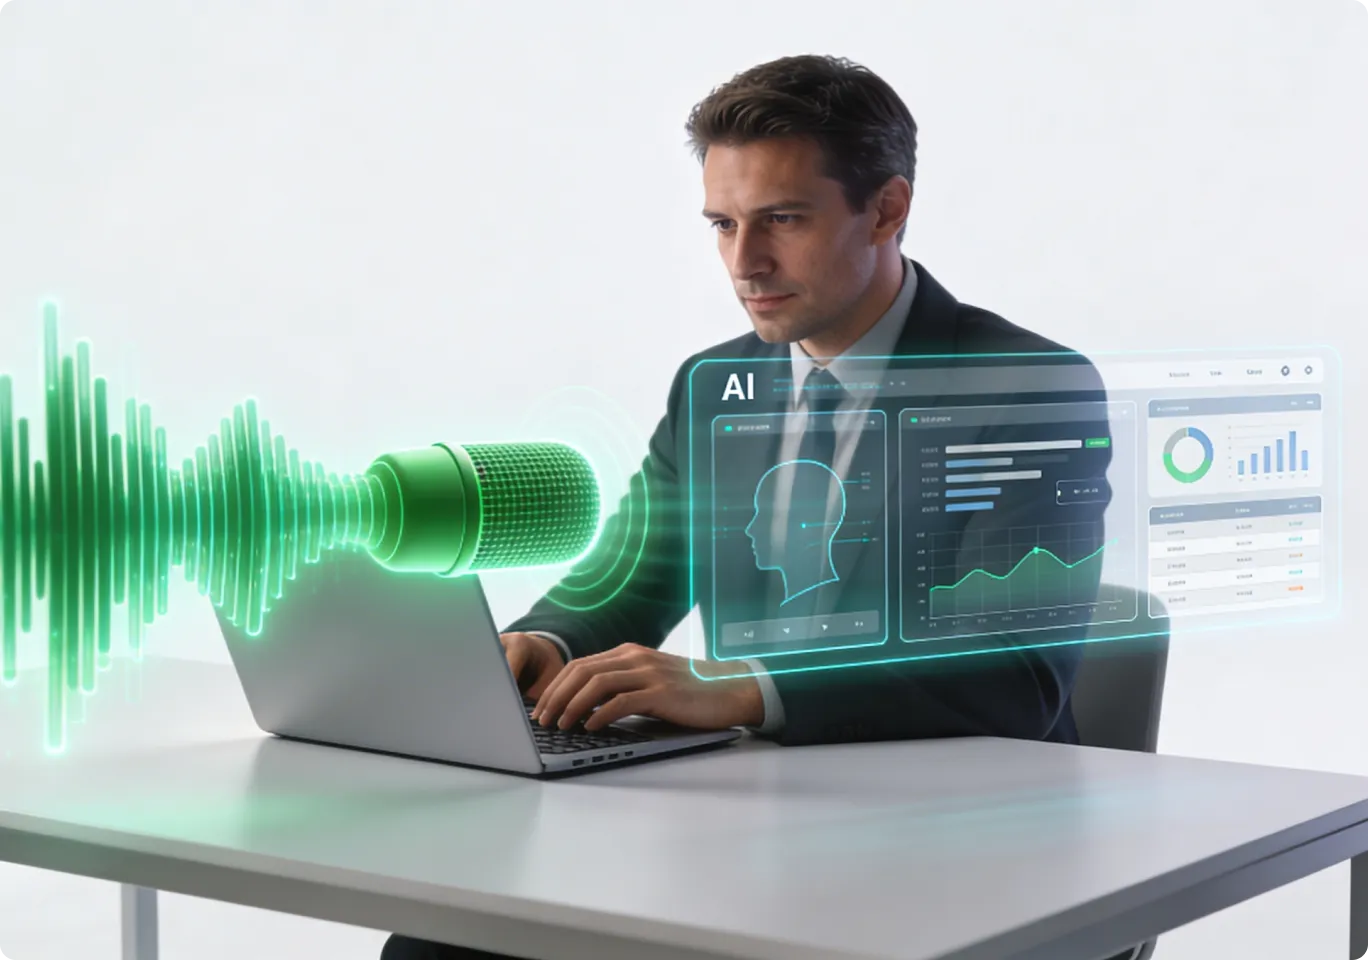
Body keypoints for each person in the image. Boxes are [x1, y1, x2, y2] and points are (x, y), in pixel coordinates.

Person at [382, 53, 1123, 960]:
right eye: (723, 224)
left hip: (959, 847)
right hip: (747, 825)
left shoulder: (1025, 386)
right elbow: (632, 578)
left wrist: (742, 686)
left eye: (783, 219)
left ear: (886, 209)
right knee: (442, 942)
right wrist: (549, 641)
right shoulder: (713, 385)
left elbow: (1013, 674)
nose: (745, 262)